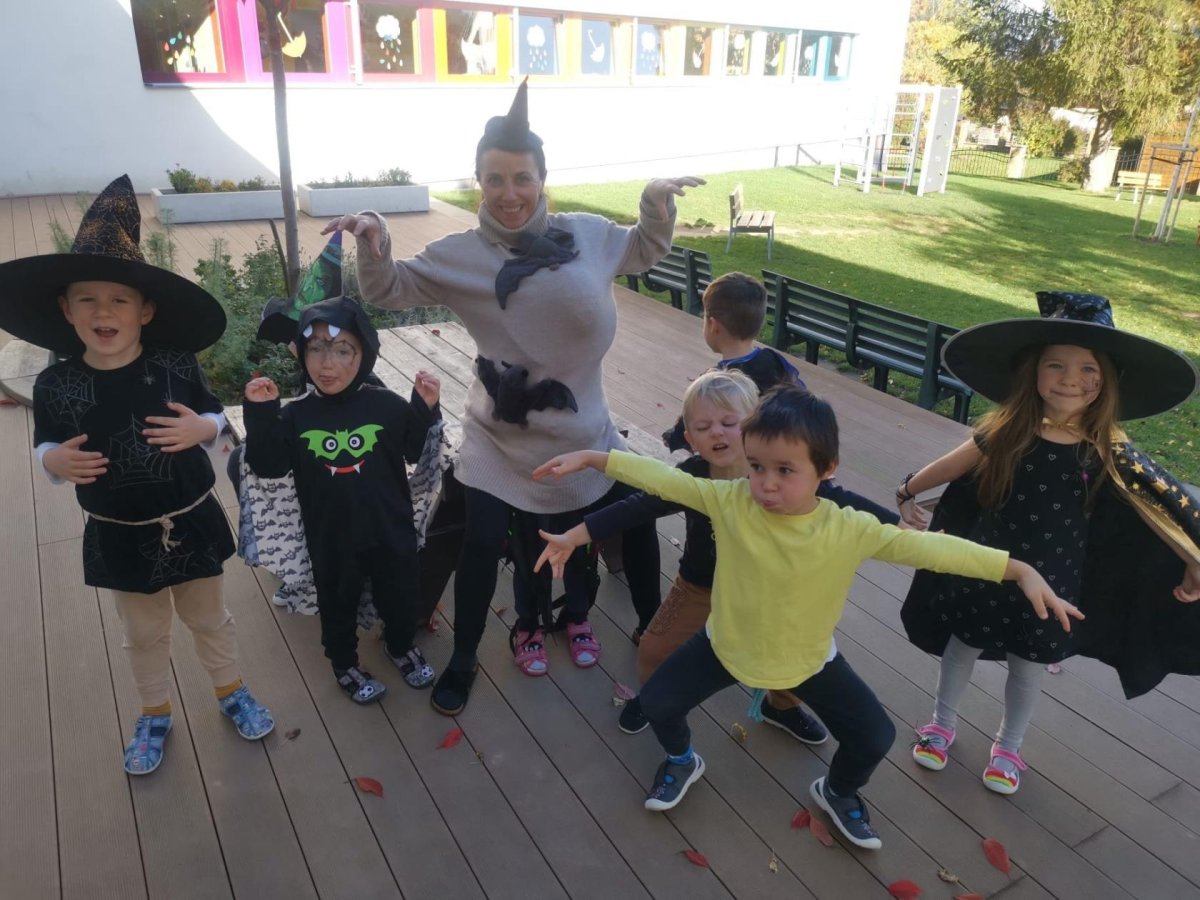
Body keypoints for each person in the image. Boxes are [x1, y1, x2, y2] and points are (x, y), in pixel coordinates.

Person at [533, 384, 1080, 850]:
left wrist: (1017, 569)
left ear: (827, 469)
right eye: (756, 467)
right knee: (657, 703)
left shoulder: (848, 527)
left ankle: (837, 791)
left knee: (874, 737)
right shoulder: (730, 500)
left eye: (785, 470)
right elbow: (664, 480)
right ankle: (682, 760)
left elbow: (933, 550)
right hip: (724, 647)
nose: (765, 483)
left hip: (807, 661)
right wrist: (595, 462)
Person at [323, 78, 704, 714]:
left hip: (585, 432)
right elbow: (388, 289)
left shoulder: (588, 235)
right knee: (479, 541)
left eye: (522, 178)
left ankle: (652, 637)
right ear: (478, 182)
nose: (509, 194)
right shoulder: (461, 256)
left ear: (542, 179)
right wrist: (373, 237)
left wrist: (654, 204)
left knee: (636, 515)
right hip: (499, 439)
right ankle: (466, 657)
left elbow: (643, 247)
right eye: (494, 179)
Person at [0, 175, 274, 775]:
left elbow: (214, 415)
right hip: (118, 530)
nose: (104, 311)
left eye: (119, 300)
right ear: (65, 309)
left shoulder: (175, 364)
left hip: (190, 518)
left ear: (145, 310)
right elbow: (46, 442)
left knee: (209, 618)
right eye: (87, 299)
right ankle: (154, 712)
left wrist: (203, 428)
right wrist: (51, 461)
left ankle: (231, 690)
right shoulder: (56, 384)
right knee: (143, 632)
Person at [897, 291, 1200, 795]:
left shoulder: (1109, 449)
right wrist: (908, 488)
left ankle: (1008, 748)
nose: (1070, 379)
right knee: (962, 646)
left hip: (1055, 582)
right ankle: (941, 724)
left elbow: (1163, 506)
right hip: (987, 565)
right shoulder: (1008, 430)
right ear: (1033, 372)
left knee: (1029, 665)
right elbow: (955, 463)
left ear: (1106, 381)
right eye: (1055, 364)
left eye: (1088, 369)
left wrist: (1193, 559)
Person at [551, 369, 900, 742]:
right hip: (700, 585)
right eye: (703, 427)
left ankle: (781, 706)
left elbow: (854, 505)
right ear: (690, 438)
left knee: (790, 658)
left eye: (730, 423)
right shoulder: (695, 477)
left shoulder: (791, 482)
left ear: (754, 430)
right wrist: (577, 534)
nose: (717, 432)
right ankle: (654, 699)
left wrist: (903, 526)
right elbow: (640, 506)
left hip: (771, 593)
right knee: (654, 646)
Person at [242, 297, 442, 703]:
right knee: (338, 603)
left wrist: (424, 408)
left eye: (342, 350)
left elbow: (414, 450)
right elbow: (268, 465)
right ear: (301, 353)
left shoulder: (386, 405)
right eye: (315, 348)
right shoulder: (296, 416)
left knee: (401, 595)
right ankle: (343, 663)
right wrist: (261, 415)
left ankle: (399, 645)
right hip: (331, 537)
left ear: (364, 353)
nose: (326, 364)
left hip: (390, 529)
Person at [663, 272, 802, 452]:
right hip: (780, 455)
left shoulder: (715, 383)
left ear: (713, 325)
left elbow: (690, 424)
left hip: (735, 461)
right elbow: (801, 400)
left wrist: (672, 438)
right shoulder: (775, 361)